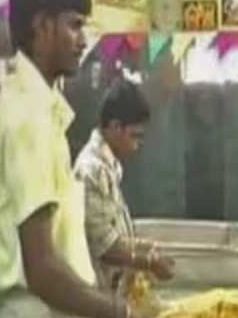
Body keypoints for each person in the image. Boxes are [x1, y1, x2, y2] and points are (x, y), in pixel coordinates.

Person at [0, 0, 154, 318]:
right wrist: (119, 313)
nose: (84, 40)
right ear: (41, 26)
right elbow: (41, 269)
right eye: (74, 26)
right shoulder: (28, 118)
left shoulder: (41, 111)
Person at [74, 79, 175, 296]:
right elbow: (105, 247)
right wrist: (147, 262)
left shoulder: (110, 166)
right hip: (97, 299)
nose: (137, 146)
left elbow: (117, 233)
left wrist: (146, 248)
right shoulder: (91, 170)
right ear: (115, 127)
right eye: (134, 137)